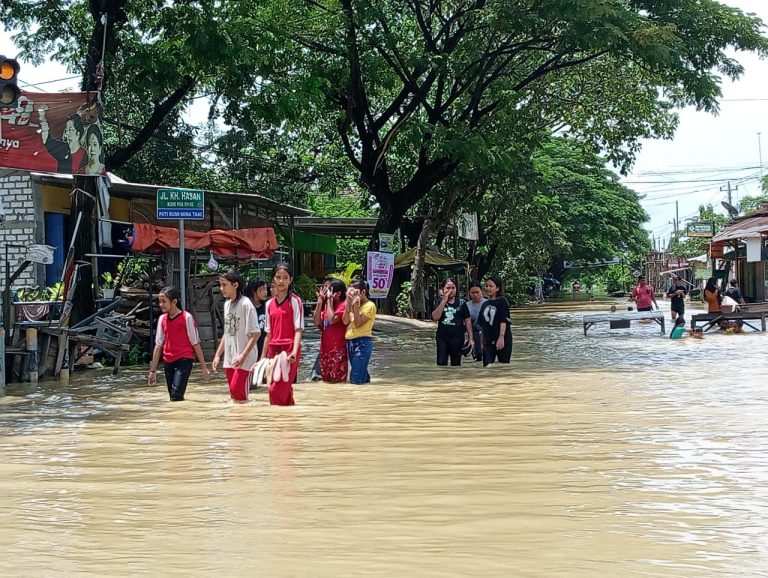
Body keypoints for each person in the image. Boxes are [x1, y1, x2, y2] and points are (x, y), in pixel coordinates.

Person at [148, 286, 210, 401]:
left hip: (184, 360)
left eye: (164, 301)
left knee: (176, 396)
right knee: (172, 396)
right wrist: (153, 371)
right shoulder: (162, 319)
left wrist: (203, 366)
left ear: (174, 301)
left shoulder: (187, 318)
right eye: (159, 302)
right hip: (168, 361)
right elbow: (158, 345)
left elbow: (195, 343)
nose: (161, 304)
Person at [212, 268, 261, 403]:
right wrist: (218, 355)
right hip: (230, 357)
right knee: (234, 395)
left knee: (239, 394)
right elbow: (227, 332)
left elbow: (256, 334)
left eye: (224, 284)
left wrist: (242, 356)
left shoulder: (246, 304)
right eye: (220, 284)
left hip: (245, 358)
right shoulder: (227, 304)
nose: (221, 288)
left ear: (235, 285)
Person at [261, 262, 304, 405]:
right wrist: (262, 358)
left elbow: (298, 329)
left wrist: (294, 352)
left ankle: (277, 420)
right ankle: (288, 422)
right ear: (273, 279)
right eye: (278, 277)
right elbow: (268, 333)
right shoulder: (268, 304)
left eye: (285, 277)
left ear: (290, 279)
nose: (281, 281)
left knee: (276, 390)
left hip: (290, 349)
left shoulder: (295, 302)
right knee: (281, 390)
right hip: (274, 350)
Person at [313, 279, 348, 382]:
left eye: (329, 291)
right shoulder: (327, 307)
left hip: (338, 351)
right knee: (326, 382)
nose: (327, 293)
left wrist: (328, 300)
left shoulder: (343, 306)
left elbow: (331, 319)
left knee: (338, 381)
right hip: (325, 351)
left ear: (338, 294)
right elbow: (317, 322)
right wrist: (319, 303)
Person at [343, 279, 376, 384]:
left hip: (362, 343)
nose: (353, 295)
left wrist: (355, 306)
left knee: (355, 377)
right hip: (351, 342)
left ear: (363, 292)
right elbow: (345, 321)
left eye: (356, 292)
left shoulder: (370, 306)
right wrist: (348, 305)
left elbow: (358, 323)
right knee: (361, 374)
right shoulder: (352, 304)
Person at [38, 106, 87, 173]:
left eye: (70, 130)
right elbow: (47, 140)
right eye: (66, 130)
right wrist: (42, 117)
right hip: (61, 182)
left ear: (78, 134)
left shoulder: (84, 155)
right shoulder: (63, 148)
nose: (67, 133)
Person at [477, 275, 512, 366]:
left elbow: (503, 320)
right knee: (487, 366)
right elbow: (482, 326)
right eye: (486, 286)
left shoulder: (502, 301)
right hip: (488, 340)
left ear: (497, 288)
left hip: (502, 338)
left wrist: (501, 337)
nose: (488, 288)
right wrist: (481, 344)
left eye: (491, 286)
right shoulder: (485, 304)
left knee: (503, 366)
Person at [431, 278, 466, 366]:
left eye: (453, 288)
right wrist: (444, 301)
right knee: (441, 363)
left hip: (457, 338)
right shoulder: (438, 302)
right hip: (442, 337)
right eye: (448, 288)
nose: (450, 290)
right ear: (443, 289)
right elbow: (435, 317)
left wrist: (471, 338)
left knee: (456, 364)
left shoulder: (461, 303)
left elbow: (468, 321)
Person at [461, 280, 487, 362]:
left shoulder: (488, 303)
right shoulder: (466, 306)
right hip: (475, 332)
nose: (475, 295)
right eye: (472, 293)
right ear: (469, 293)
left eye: (477, 292)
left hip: (487, 332)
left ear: (481, 291)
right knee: (479, 354)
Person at [246, 278, 268, 360]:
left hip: (264, 350)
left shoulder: (267, 308)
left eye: (266, 289)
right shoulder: (246, 308)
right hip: (248, 352)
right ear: (253, 291)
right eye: (262, 289)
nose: (266, 292)